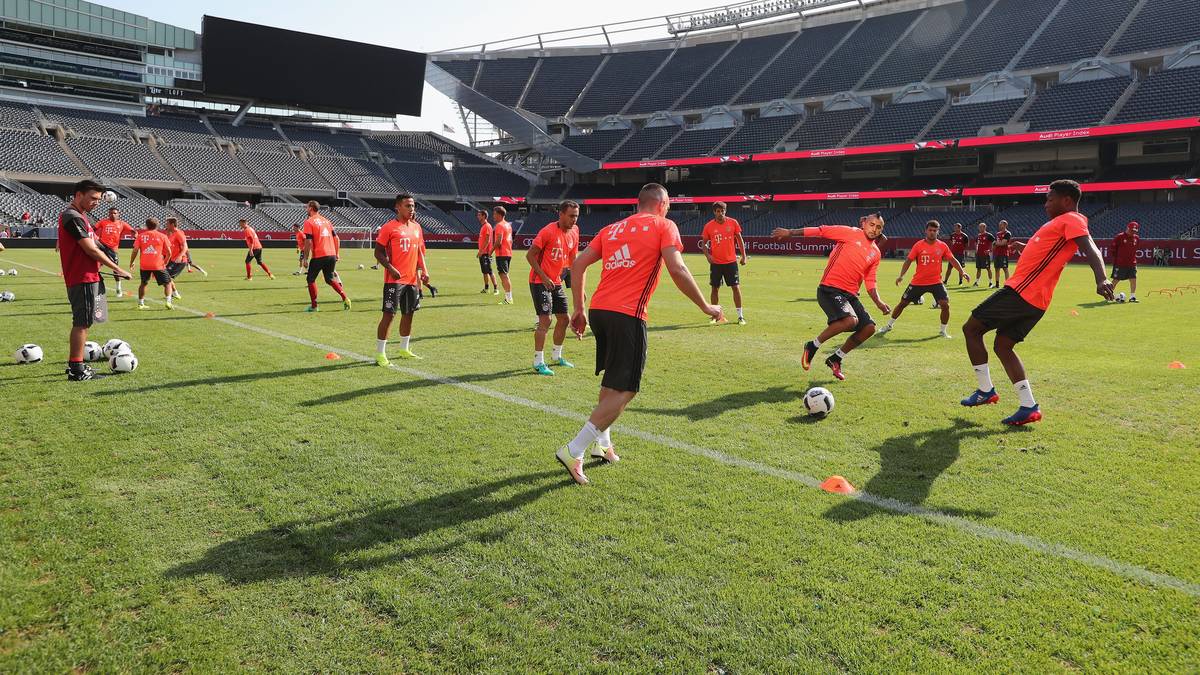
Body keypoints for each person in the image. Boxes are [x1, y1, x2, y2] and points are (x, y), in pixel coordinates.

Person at [556, 184, 723, 485]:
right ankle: (574, 449)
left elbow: (578, 264)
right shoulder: (664, 225)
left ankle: (602, 444)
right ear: (661, 204)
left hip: (600, 311)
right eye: (669, 205)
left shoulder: (612, 228)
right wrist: (705, 306)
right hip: (628, 314)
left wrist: (578, 309)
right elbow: (678, 268)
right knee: (626, 390)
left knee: (612, 382)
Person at [960, 180, 1114, 425]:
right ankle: (1028, 406)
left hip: (1021, 292)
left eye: (1050, 199)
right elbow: (1049, 249)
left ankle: (985, 391)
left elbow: (1090, 247)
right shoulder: (1058, 223)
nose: (1045, 204)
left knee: (971, 329)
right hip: (1036, 301)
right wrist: (1026, 246)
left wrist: (1101, 278)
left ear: (1066, 201)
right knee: (1003, 346)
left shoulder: (1072, 219)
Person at [771, 214, 890, 381]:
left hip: (851, 295)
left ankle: (836, 358)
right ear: (863, 223)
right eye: (872, 224)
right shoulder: (849, 232)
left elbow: (870, 280)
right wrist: (790, 233)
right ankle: (812, 345)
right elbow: (821, 231)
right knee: (850, 321)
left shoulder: (875, 253)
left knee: (869, 328)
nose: (874, 229)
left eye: (878, 227)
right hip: (830, 289)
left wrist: (879, 302)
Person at [57, 180, 132, 381]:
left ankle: (77, 365)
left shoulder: (81, 216)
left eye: (98, 200)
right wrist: (117, 269)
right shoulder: (72, 216)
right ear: (78, 195)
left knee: (88, 320)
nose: (96, 203)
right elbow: (89, 248)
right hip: (82, 277)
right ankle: (76, 369)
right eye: (92, 198)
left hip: (89, 275)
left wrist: (106, 247)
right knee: (82, 322)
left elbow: (95, 241)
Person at [879, 220, 970, 338]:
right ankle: (889, 325)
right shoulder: (918, 245)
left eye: (935, 230)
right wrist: (901, 276)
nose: (932, 233)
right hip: (918, 282)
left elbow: (952, 259)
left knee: (945, 305)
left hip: (936, 282)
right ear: (925, 231)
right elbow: (908, 260)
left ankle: (943, 331)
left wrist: (962, 272)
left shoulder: (942, 246)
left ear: (938, 231)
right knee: (902, 303)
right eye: (930, 230)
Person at [527, 200, 580, 376]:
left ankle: (557, 356)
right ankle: (538, 362)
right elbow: (530, 256)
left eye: (576, 216)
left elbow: (572, 261)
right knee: (545, 321)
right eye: (571, 216)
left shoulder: (574, 232)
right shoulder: (548, 231)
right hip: (539, 281)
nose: (574, 220)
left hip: (556, 282)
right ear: (561, 214)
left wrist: (578, 286)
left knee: (564, 319)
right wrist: (543, 277)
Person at [374, 194, 428, 365]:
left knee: (409, 314)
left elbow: (419, 251)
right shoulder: (389, 228)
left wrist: (424, 271)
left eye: (413, 206)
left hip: (412, 280)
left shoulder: (417, 227)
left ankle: (404, 349)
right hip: (394, 280)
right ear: (398, 207)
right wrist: (390, 268)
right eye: (408, 206)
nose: (411, 209)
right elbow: (378, 252)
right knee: (389, 316)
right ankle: (380, 354)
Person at [700, 201, 747, 325]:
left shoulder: (733, 223)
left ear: (725, 211)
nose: (720, 213)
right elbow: (703, 244)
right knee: (714, 288)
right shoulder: (708, 226)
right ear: (714, 212)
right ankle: (715, 316)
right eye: (718, 211)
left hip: (731, 262)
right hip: (716, 263)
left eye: (722, 211)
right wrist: (707, 255)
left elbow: (739, 240)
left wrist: (744, 256)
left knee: (735, 287)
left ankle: (740, 316)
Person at [300, 201, 350, 312]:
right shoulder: (327, 221)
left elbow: (308, 242)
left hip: (319, 255)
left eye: (307, 207)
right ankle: (345, 297)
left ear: (311, 208)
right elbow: (337, 238)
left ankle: (314, 306)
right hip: (331, 254)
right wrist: (336, 253)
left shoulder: (309, 222)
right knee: (329, 279)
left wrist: (305, 258)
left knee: (311, 279)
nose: (306, 208)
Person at [130, 217, 175, 310]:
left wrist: (132, 262)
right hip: (158, 265)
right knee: (167, 283)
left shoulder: (140, 236)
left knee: (143, 283)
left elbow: (135, 251)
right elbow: (169, 253)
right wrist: (165, 262)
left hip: (144, 265)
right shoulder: (162, 236)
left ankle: (141, 303)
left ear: (146, 226)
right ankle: (168, 302)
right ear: (157, 225)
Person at [94, 206, 134, 297]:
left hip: (113, 249)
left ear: (118, 214)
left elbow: (132, 230)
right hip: (102, 246)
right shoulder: (103, 222)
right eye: (111, 213)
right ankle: (95, 286)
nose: (113, 214)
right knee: (96, 267)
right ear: (108, 214)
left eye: (115, 213)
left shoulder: (122, 223)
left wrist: (135, 234)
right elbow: (93, 229)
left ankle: (118, 288)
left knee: (115, 269)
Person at [1110, 221, 1140, 302]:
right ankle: (1109, 295)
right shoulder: (1119, 237)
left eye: (1134, 231)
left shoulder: (1136, 238)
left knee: (1133, 279)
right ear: (1127, 228)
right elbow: (1113, 249)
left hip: (1132, 263)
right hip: (1120, 263)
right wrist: (1118, 259)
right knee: (1115, 280)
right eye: (1131, 230)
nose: (1132, 232)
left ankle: (1132, 297)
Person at [492, 206, 514, 304]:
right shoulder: (508, 225)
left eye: (494, 213)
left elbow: (499, 241)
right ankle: (508, 297)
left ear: (499, 214)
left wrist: (490, 251)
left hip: (502, 253)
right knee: (503, 275)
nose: (493, 215)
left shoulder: (499, 225)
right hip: (508, 253)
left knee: (504, 276)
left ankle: (509, 299)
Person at [163, 217, 189, 300]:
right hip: (172, 260)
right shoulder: (171, 234)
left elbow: (185, 247)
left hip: (180, 261)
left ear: (172, 224)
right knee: (165, 277)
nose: (165, 225)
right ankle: (175, 293)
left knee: (165, 277)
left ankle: (174, 294)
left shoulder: (179, 233)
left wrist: (180, 256)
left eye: (167, 223)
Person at [476, 210, 497, 294]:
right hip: (482, 253)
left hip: (486, 253)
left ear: (484, 216)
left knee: (489, 271)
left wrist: (481, 251)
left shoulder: (487, 226)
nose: (478, 217)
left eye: (479, 215)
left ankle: (496, 288)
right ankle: (486, 288)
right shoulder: (483, 226)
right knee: (484, 271)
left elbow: (487, 240)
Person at [972, 222, 995, 287]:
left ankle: (990, 282)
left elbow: (994, 243)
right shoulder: (978, 235)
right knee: (978, 268)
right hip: (979, 254)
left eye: (981, 227)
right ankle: (976, 282)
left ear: (984, 227)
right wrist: (976, 248)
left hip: (985, 255)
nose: (979, 228)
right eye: (979, 227)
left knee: (988, 268)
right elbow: (976, 242)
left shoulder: (988, 235)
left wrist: (990, 250)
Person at [993, 220, 1014, 287]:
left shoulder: (1007, 233)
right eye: (999, 224)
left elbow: (1003, 243)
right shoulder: (998, 233)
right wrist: (996, 244)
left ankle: (1007, 284)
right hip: (997, 253)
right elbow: (997, 243)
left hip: (1003, 254)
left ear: (1005, 225)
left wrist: (996, 243)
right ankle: (997, 284)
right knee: (997, 269)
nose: (999, 226)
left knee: (1005, 269)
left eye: (1001, 224)